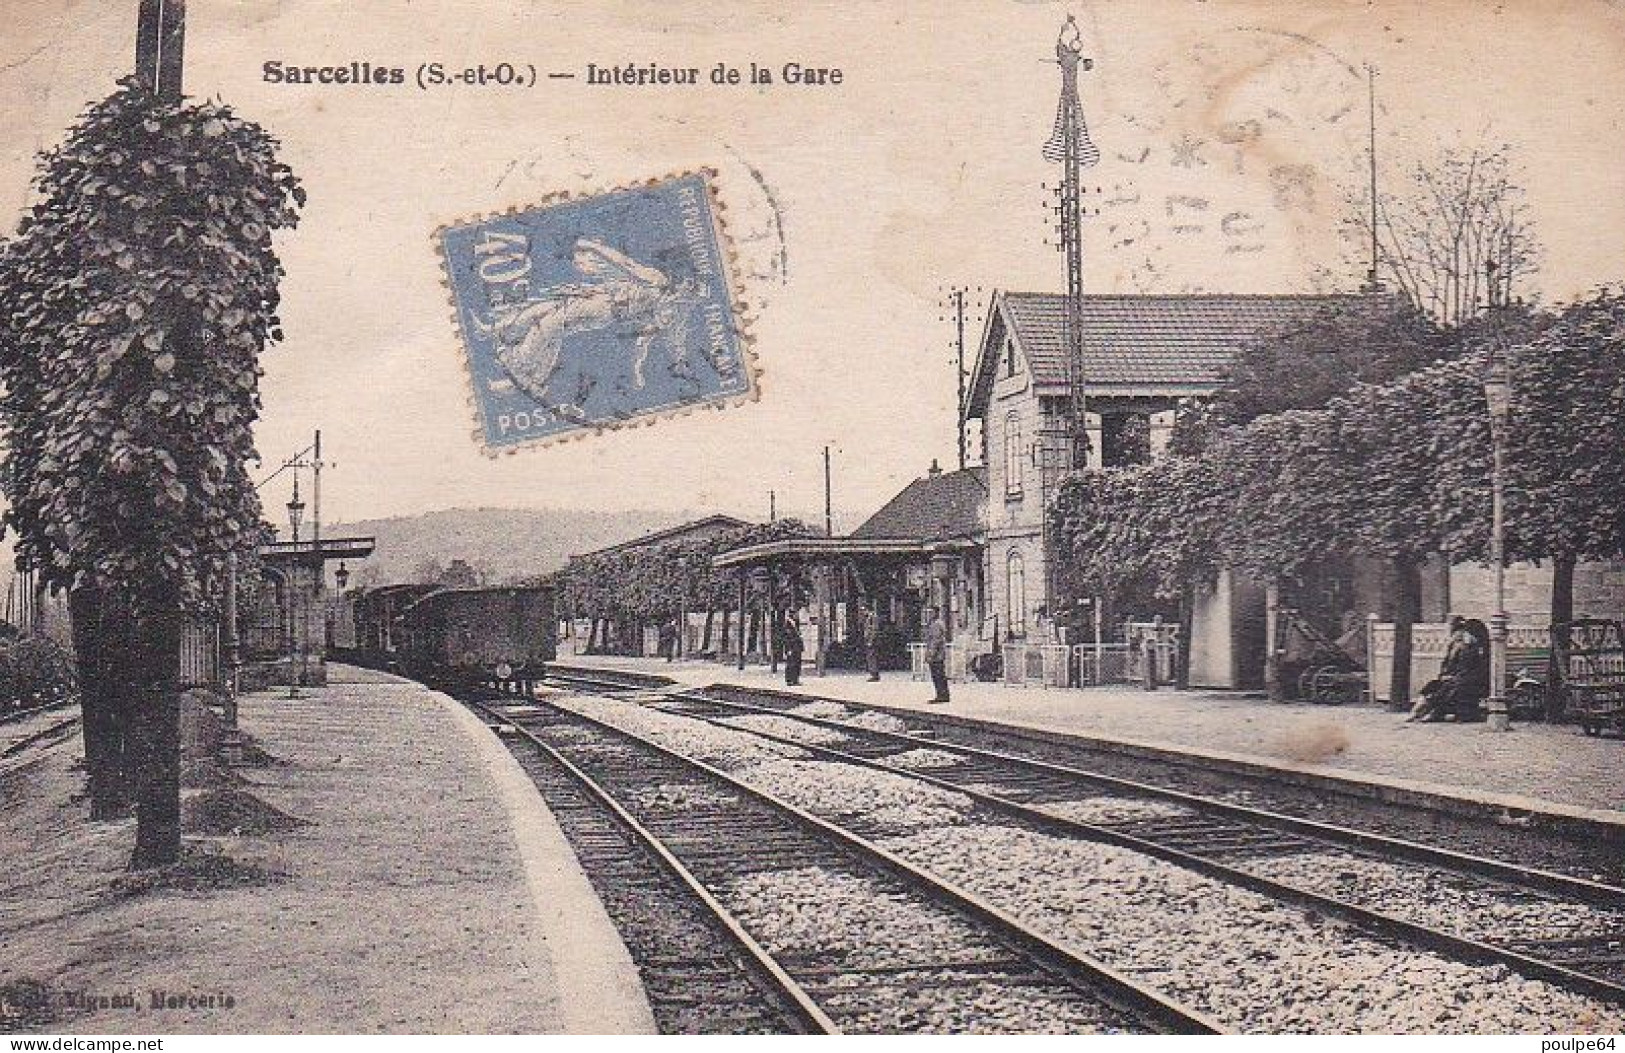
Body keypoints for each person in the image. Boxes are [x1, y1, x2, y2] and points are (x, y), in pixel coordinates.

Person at [1406, 616, 1489, 722]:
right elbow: (1452, 667)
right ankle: (1417, 712)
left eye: (1466, 633)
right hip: (1460, 679)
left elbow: (1476, 670)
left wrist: (1453, 677)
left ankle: (1433, 712)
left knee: (1450, 688)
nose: (1463, 636)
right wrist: (1446, 675)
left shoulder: (1478, 650)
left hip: (1473, 682)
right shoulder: (1462, 648)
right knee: (1434, 685)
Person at [925, 605, 950, 704]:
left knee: (938, 676)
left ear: (936, 613)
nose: (929, 615)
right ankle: (943, 695)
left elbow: (935, 641)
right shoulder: (937, 623)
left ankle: (941, 695)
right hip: (938, 654)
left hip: (937, 655)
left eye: (931, 613)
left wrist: (930, 654)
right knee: (940, 675)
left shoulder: (936, 624)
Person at [781, 610, 804, 687]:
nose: (796, 615)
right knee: (791, 664)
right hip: (791, 647)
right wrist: (788, 649)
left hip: (797, 647)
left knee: (797, 663)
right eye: (795, 614)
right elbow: (786, 638)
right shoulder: (787, 624)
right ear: (791, 614)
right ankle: (789, 680)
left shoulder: (795, 623)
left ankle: (795, 680)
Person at [862, 602, 882, 681]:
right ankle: (873, 673)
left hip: (872, 640)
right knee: (870, 656)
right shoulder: (869, 617)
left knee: (871, 656)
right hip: (869, 639)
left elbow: (874, 629)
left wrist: (871, 640)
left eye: (864, 610)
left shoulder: (873, 617)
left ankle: (874, 674)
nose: (863, 612)